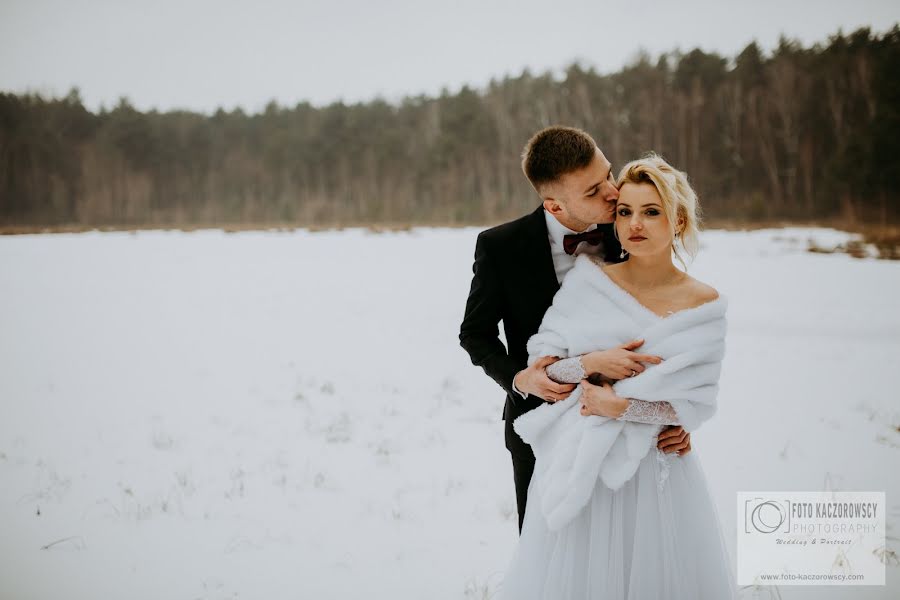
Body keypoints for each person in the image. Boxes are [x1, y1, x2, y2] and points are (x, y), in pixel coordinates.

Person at [496, 153, 736, 599]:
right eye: (624, 212)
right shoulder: (590, 282)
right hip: (582, 464)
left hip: (659, 469)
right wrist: (592, 362)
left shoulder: (705, 304)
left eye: (651, 212)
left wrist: (626, 408)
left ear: (679, 221)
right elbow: (548, 371)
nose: (634, 224)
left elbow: (695, 403)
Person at [459, 126, 692, 533]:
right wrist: (519, 377)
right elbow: (475, 334)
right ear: (554, 205)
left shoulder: (632, 231)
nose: (612, 193)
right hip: (540, 431)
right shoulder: (500, 247)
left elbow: (670, 334)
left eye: (607, 174)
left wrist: (676, 415)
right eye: (591, 191)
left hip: (632, 431)